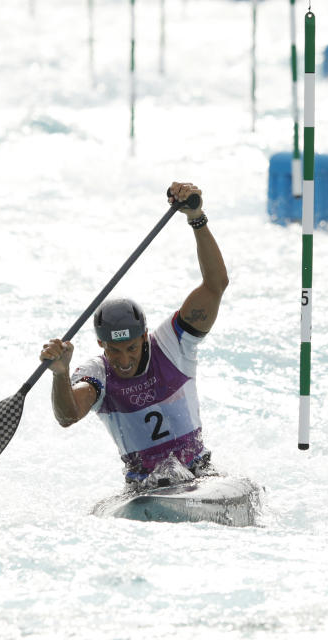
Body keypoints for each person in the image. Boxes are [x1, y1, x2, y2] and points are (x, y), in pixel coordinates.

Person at [39, 182, 229, 488]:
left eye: (130, 347)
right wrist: (60, 374)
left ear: (144, 337)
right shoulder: (96, 373)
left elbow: (215, 284)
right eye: (114, 350)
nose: (123, 360)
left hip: (201, 475)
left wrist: (196, 217)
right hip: (143, 487)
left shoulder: (172, 345)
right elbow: (68, 416)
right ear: (101, 344)